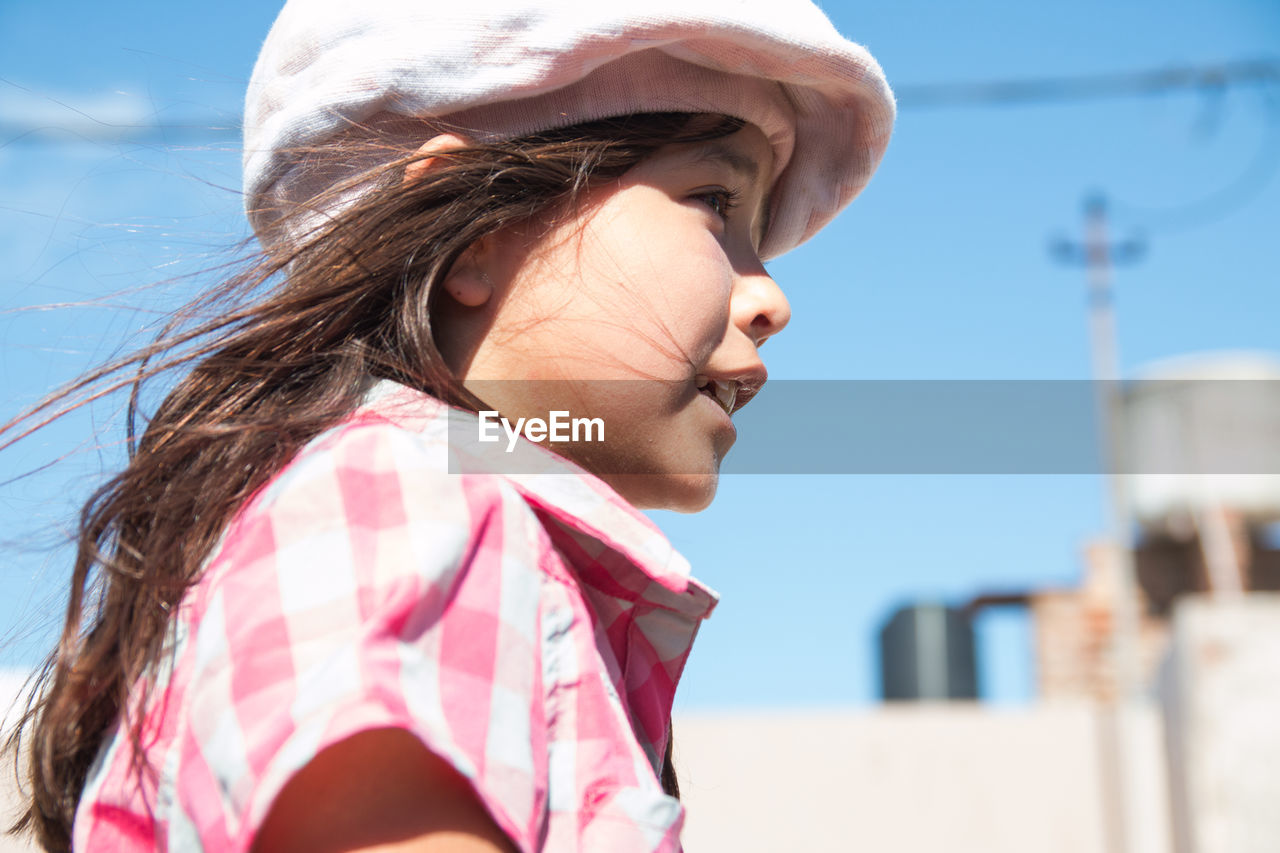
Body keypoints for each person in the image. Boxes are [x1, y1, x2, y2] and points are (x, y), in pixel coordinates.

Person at [3, 0, 893, 850]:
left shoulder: (412, 507)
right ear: (475, 240)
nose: (769, 295)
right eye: (715, 204)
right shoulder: (399, 504)